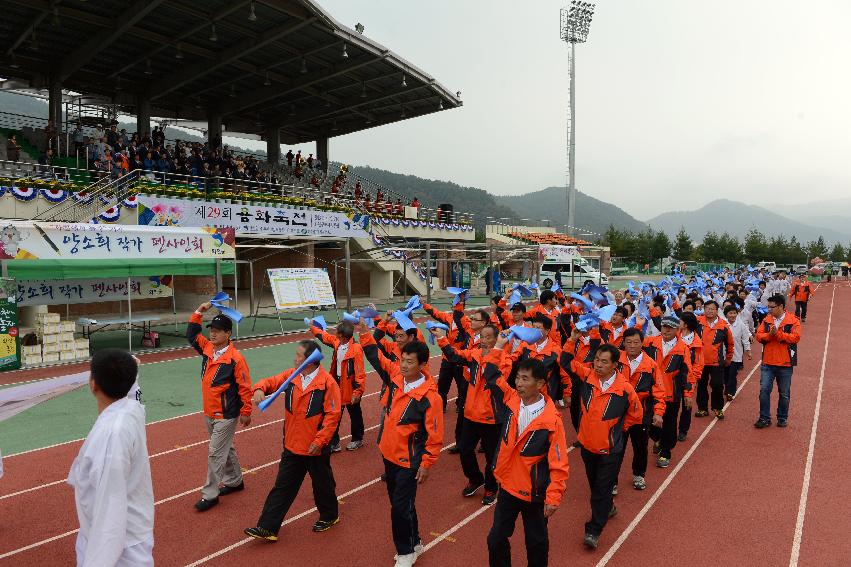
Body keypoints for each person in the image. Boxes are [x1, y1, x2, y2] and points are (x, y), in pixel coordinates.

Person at [358, 324, 444, 567]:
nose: (404, 365)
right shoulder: (397, 378)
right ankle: (415, 542)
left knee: (399, 507)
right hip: (389, 454)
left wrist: (426, 464)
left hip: (410, 460)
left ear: (423, 365)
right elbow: (376, 357)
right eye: (403, 359)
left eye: (410, 361)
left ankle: (405, 552)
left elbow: (435, 435)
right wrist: (364, 331)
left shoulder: (430, 398)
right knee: (402, 504)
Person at [245, 341, 342, 541]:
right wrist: (259, 389)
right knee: (283, 486)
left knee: (322, 485)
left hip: (315, 447)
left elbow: (333, 416)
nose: (295, 358)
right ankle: (268, 527)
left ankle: (330, 516)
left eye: (299, 355)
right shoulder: (292, 376)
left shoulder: (328, 384)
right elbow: (270, 382)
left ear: (311, 360)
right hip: (292, 445)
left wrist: (320, 441)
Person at [67, 349, 154, 566]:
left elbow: (110, 509)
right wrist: (132, 374)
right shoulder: (131, 411)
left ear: (93, 384)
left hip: (120, 550)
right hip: (128, 537)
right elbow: (135, 395)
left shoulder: (111, 436)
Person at [484, 355, 569, 567]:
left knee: (536, 543)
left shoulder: (552, 421)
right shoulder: (511, 400)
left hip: (535, 493)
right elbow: (492, 374)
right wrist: (498, 346)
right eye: (518, 378)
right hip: (508, 487)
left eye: (524, 379)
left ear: (540, 384)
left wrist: (554, 496)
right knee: (495, 538)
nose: (518, 383)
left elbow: (559, 463)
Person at [563, 344, 642, 548]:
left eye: (604, 361)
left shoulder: (624, 388)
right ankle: (608, 507)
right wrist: (572, 339)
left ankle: (593, 530)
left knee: (601, 489)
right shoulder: (587, 376)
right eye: (597, 359)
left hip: (610, 450)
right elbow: (565, 361)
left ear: (615, 365)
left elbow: (636, 414)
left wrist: (616, 431)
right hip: (587, 446)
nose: (598, 364)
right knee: (595, 485)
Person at [187, 304, 253, 512]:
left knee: (215, 452)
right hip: (209, 411)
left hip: (226, 414)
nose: (212, 334)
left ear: (228, 333)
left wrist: (246, 412)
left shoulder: (236, 359)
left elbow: (245, 386)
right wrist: (199, 311)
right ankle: (234, 481)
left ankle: (210, 494)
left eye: (217, 331)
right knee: (227, 448)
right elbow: (191, 334)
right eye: (211, 330)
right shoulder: (207, 348)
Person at [435, 324, 507, 506]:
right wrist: (441, 338)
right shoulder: (474, 355)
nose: (483, 340)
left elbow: (495, 379)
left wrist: (495, 352)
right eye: (482, 336)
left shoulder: (504, 359)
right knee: (465, 449)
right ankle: (476, 478)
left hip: (492, 417)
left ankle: (491, 487)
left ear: (497, 339)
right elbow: (454, 355)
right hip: (471, 414)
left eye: (488, 337)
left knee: (492, 456)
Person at [309, 320, 366, 452]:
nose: (334, 334)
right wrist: (313, 329)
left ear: (342, 336)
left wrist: (357, 392)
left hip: (351, 388)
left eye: (337, 332)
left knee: (355, 414)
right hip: (337, 385)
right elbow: (324, 337)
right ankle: (334, 443)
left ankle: (357, 439)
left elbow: (360, 372)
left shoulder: (356, 349)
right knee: (333, 414)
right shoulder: (337, 342)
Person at [616, 328, 660, 491]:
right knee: (615, 449)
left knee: (640, 447)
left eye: (636, 342)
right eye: (628, 342)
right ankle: (612, 480)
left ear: (642, 343)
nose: (632, 346)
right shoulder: (616, 361)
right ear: (624, 343)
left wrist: (658, 412)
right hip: (618, 414)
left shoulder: (651, 365)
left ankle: (639, 475)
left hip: (641, 414)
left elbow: (658, 390)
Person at [754, 295, 801, 428]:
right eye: (768, 307)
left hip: (785, 363)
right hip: (768, 362)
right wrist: (769, 335)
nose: (769, 309)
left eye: (771, 307)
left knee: (784, 393)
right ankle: (764, 418)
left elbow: (796, 337)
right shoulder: (767, 320)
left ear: (781, 306)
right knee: (764, 391)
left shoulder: (793, 321)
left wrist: (778, 334)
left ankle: (782, 417)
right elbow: (758, 335)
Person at [695, 300, 734, 419]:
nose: (710, 311)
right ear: (704, 309)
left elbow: (730, 344)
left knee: (717, 385)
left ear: (717, 311)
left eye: (712, 309)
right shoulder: (697, 322)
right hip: (700, 362)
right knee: (701, 385)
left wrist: (728, 358)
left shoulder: (724, 326)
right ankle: (702, 408)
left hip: (717, 362)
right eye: (707, 308)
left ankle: (717, 408)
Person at [724, 304, 752, 401]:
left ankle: (731, 392)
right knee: (726, 374)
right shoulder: (722, 325)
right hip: (723, 355)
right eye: (730, 313)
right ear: (726, 314)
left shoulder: (741, 326)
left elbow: (745, 339)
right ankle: (727, 387)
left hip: (736, 355)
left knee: (732, 374)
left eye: (734, 313)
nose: (732, 315)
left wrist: (748, 351)